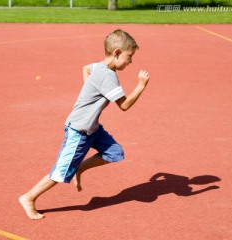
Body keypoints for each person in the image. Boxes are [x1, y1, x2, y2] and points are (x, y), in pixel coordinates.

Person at [19, 29, 150, 220]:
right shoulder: (108, 76)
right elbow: (125, 105)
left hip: (93, 128)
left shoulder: (99, 67)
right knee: (61, 172)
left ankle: (80, 167)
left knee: (114, 153)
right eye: (129, 56)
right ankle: (29, 198)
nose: (131, 62)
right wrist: (141, 85)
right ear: (116, 52)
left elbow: (85, 68)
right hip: (79, 130)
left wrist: (88, 90)